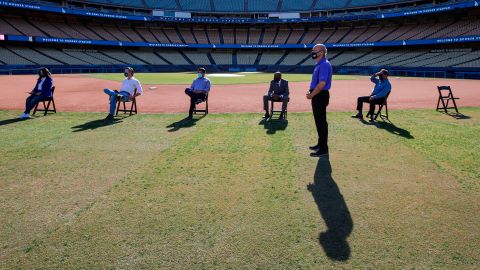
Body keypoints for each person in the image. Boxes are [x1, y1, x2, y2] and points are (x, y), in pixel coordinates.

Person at [306, 44, 333, 157]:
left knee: (321, 122)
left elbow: (322, 84)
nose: (313, 52)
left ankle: (323, 148)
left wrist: (312, 95)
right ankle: (320, 144)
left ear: (321, 52)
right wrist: (311, 91)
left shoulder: (324, 64)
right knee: (319, 121)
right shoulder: (319, 64)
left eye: (315, 50)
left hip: (320, 95)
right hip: (318, 95)